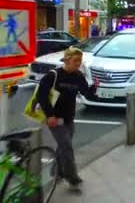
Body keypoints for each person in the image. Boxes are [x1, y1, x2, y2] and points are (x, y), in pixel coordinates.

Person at [37, 47, 95, 188]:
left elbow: (86, 93)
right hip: (54, 118)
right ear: (67, 60)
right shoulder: (53, 75)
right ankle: (72, 177)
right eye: (75, 60)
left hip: (69, 117)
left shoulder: (78, 76)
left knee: (63, 147)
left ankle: (57, 172)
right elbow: (41, 95)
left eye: (80, 61)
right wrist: (50, 115)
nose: (78, 64)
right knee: (67, 147)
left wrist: (94, 89)